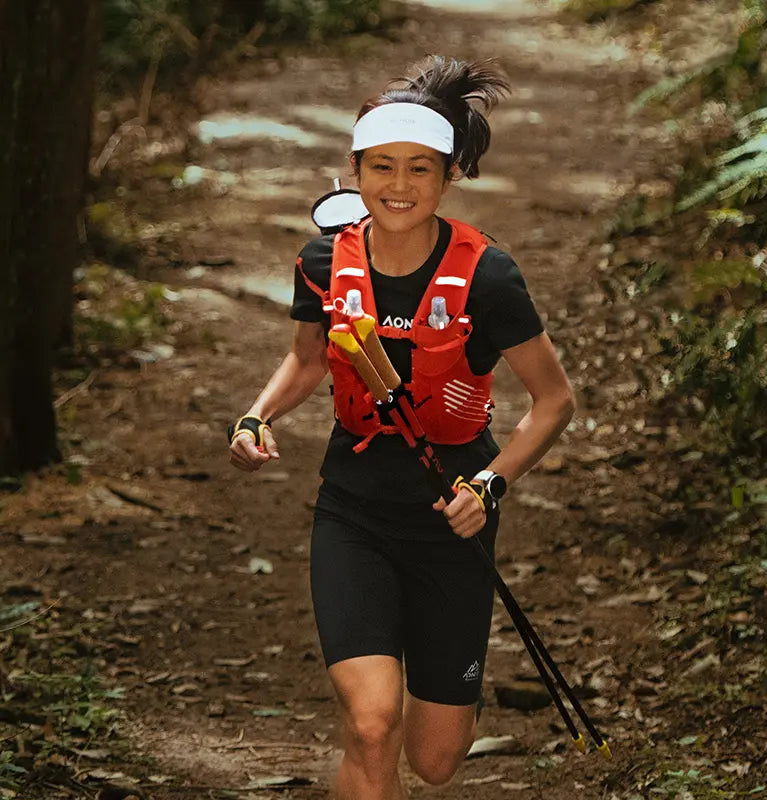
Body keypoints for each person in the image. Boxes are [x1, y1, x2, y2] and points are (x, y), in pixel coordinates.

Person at [228, 55, 575, 799]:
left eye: (420, 169)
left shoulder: (488, 276)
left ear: (450, 176)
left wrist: (491, 484)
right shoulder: (324, 260)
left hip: (453, 516)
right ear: (353, 171)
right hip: (352, 508)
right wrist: (257, 415)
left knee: (436, 759)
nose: (398, 185)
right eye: (380, 166)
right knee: (372, 721)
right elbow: (307, 359)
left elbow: (554, 401)